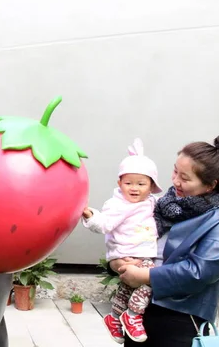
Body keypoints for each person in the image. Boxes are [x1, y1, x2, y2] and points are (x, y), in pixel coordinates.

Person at [108, 134, 219, 347]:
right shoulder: (163, 204)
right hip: (140, 313)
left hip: (180, 321)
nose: (175, 181)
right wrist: (117, 262)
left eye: (185, 178)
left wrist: (145, 275)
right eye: (175, 171)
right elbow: (129, 237)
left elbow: (198, 272)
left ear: (210, 185)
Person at [82, 138, 163, 343]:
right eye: (128, 183)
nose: (134, 188)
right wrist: (91, 216)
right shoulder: (118, 205)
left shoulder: (151, 202)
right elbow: (104, 224)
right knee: (150, 282)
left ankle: (115, 317)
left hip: (142, 252)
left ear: (152, 186)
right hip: (127, 253)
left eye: (141, 184)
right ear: (119, 183)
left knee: (127, 287)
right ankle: (133, 315)